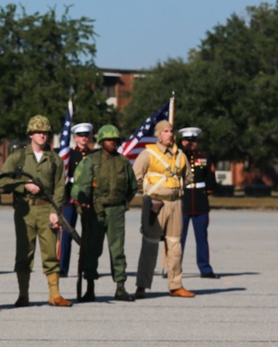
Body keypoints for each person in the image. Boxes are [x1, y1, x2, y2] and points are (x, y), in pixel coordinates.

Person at [0, 115, 72, 308]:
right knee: (24, 253)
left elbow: (59, 188)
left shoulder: (55, 160)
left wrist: (56, 210)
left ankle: (55, 295)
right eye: (38, 132)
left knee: (50, 253)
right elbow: (2, 181)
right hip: (25, 209)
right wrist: (24, 186)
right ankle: (23, 295)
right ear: (30, 134)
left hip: (47, 209)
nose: (42, 135)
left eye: (45, 132)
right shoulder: (18, 157)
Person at [71, 125, 138, 302]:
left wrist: (122, 203)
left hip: (116, 211)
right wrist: (84, 204)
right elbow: (82, 186)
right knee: (92, 250)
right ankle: (90, 287)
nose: (113, 143)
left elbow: (132, 187)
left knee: (117, 250)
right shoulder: (91, 161)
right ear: (101, 142)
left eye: (115, 140)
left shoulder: (123, 162)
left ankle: (120, 287)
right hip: (96, 211)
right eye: (109, 140)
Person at [132, 120, 195, 298]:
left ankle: (176, 285)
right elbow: (135, 177)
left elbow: (188, 177)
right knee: (150, 246)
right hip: (155, 204)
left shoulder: (180, 155)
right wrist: (149, 193)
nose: (170, 134)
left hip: (175, 204)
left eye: (171, 131)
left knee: (175, 246)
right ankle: (142, 286)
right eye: (166, 131)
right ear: (159, 134)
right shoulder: (147, 154)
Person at [180, 127, 219, 278]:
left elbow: (210, 180)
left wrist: (207, 192)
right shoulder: (177, 157)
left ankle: (205, 268)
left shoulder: (204, 157)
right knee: (178, 238)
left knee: (202, 238)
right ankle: (175, 269)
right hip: (183, 201)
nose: (191, 144)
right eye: (188, 141)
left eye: (193, 141)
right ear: (183, 141)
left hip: (201, 202)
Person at [59, 122, 94, 277]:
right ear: (75, 137)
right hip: (70, 197)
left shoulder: (93, 155)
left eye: (86, 135)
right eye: (80, 135)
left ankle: (87, 267)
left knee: (89, 234)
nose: (83, 138)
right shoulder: (69, 154)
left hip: (87, 197)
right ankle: (62, 267)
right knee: (67, 234)